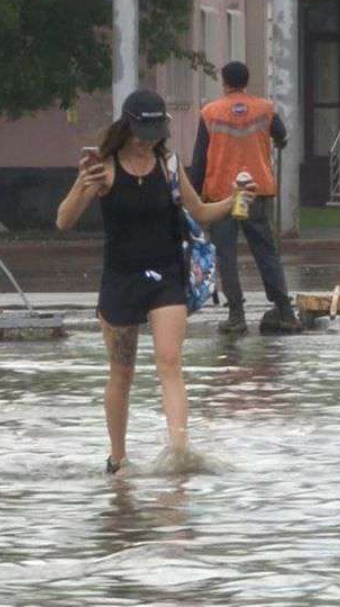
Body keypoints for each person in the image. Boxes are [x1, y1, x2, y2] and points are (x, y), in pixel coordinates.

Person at [56, 89, 255, 474]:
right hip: (121, 279)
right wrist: (83, 184)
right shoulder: (106, 169)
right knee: (122, 371)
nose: (150, 139)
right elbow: (63, 220)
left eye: (156, 130)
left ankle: (179, 450)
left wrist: (234, 200)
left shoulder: (169, 164)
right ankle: (118, 458)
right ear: (127, 128)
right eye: (143, 131)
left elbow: (200, 211)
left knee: (170, 361)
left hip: (166, 274)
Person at [190, 61, 302, 335]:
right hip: (257, 192)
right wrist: (280, 141)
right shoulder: (264, 109)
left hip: (222, 196)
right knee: (266, 252)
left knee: (225, 255)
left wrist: (193, 198)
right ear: (246, 80)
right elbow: (282, 135)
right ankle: (285, 312)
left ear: (224, 81)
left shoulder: (210, 113)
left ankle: (236, 315)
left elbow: (199, 160)